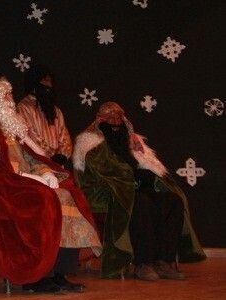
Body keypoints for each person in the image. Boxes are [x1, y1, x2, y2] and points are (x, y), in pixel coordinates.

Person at [0, 78, 100, 294]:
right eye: (5, 97)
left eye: (10, 96)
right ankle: (38, 276)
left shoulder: (11, 127)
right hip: (1, 184)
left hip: (22, 181)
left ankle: (59, 272)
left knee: (67, 192)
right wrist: (28, 178)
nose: (10, 101)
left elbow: (32, 158)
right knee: (44, 198)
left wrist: (45, 172)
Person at [73, 102, 206, 280]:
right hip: (108, 194)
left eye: (119, 117)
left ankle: (164, 261)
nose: (115, 122)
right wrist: (133, 176)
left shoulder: (132, 141)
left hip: (136, 189)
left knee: (173, 201)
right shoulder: (90, 144)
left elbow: (150, 166)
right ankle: (143, 263)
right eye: (110, 117)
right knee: (140, 202)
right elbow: (103, 173)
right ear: (100, 119)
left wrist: (146, 174)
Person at [17, 65, 73, 170]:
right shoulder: (24, 107)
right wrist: (50, 156)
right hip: (36, 162)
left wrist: (63, 155)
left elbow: (64, 135)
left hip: (58, 163)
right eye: (45, 81)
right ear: (34, 83)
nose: (49, 85)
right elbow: (30, 135)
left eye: (50, 82)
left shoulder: (55, 110)